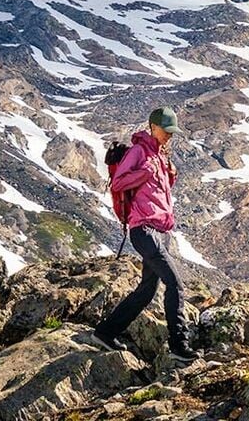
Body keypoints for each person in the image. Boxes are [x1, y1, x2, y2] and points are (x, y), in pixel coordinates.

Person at [89, 106, 195, 361]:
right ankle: (179, 345)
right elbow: (119, 183)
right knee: (175, 283)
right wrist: (145, 172)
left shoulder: (161, 155)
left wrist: (169, 174)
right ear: (153, 127)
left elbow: (158, 191)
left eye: (172, 132)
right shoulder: (139, 151)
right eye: (166, 131)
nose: (169, 135)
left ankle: (105, 332)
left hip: (161, 230)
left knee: (147, 290)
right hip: (143, 230)